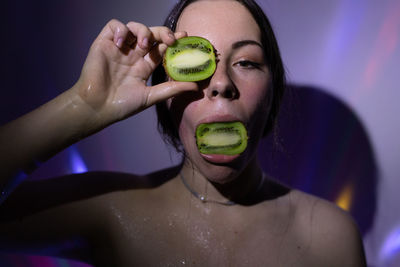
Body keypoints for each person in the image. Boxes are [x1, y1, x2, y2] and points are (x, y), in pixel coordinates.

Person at [0, 0, 366, 266]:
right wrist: (82, 105)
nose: (221, 82)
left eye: (246, 62)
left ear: (273, 93)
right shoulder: (109, 212)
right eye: (195, 61)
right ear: (163, 91)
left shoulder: (331, 238)